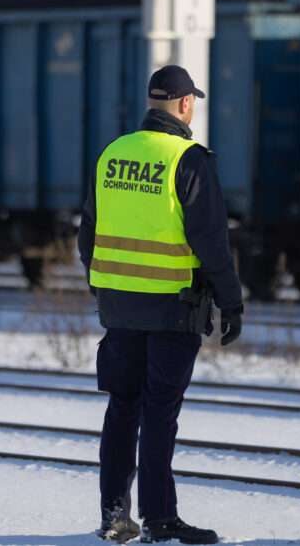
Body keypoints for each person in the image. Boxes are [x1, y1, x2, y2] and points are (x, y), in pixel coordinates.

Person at [79, 64, 244, 545]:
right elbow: (212, 242)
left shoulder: (113, 153)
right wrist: (231, 303)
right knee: (158, 412)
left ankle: (114, 515)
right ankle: (159, 518)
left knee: (121, 408)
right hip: (174, 308)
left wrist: (105, 286)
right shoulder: (189, 159)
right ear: (187, 104)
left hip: (119, 309)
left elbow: (87, 233)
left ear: (153, 103)